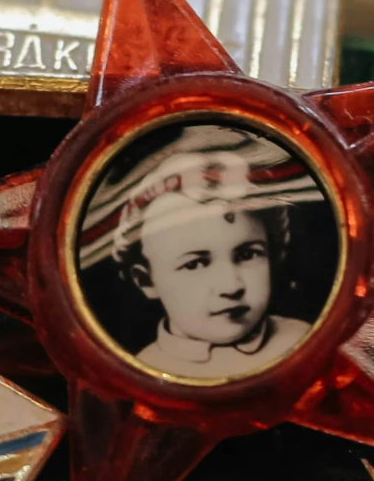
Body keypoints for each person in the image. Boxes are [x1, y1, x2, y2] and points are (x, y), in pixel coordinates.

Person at [111, 143, 313, 378]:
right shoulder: (142, 370)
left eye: (247, 255)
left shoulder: (301, 341)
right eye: (194, 264)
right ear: (147, 280)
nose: (231, 286)